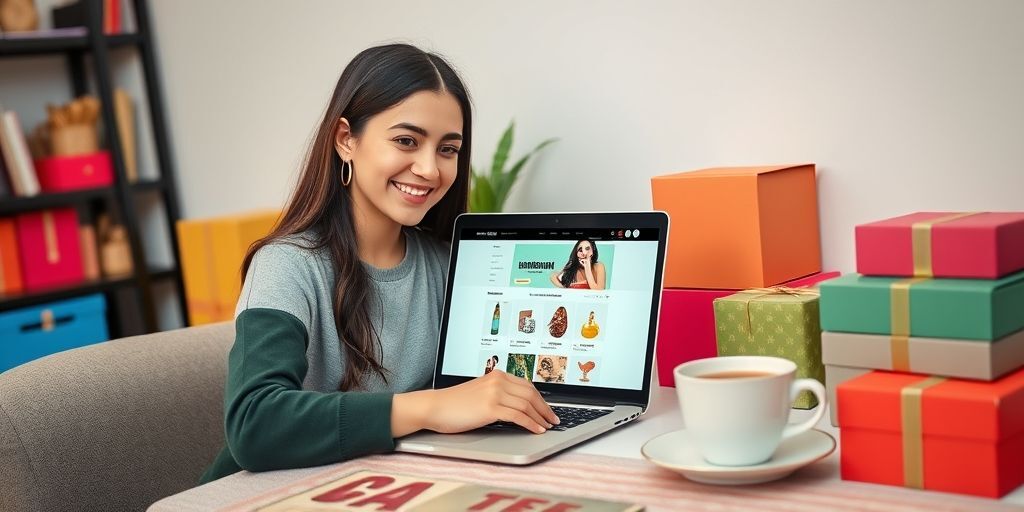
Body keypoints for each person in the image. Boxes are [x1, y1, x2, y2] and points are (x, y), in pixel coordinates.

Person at [199, 44, 558, 484]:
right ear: (346, 139)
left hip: (385, 484)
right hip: (260, 493)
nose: (429, 168)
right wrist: (430, 406)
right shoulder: (287, 265)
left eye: (448, 149)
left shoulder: (447, 264)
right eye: (406, 140)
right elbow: (254, 423)